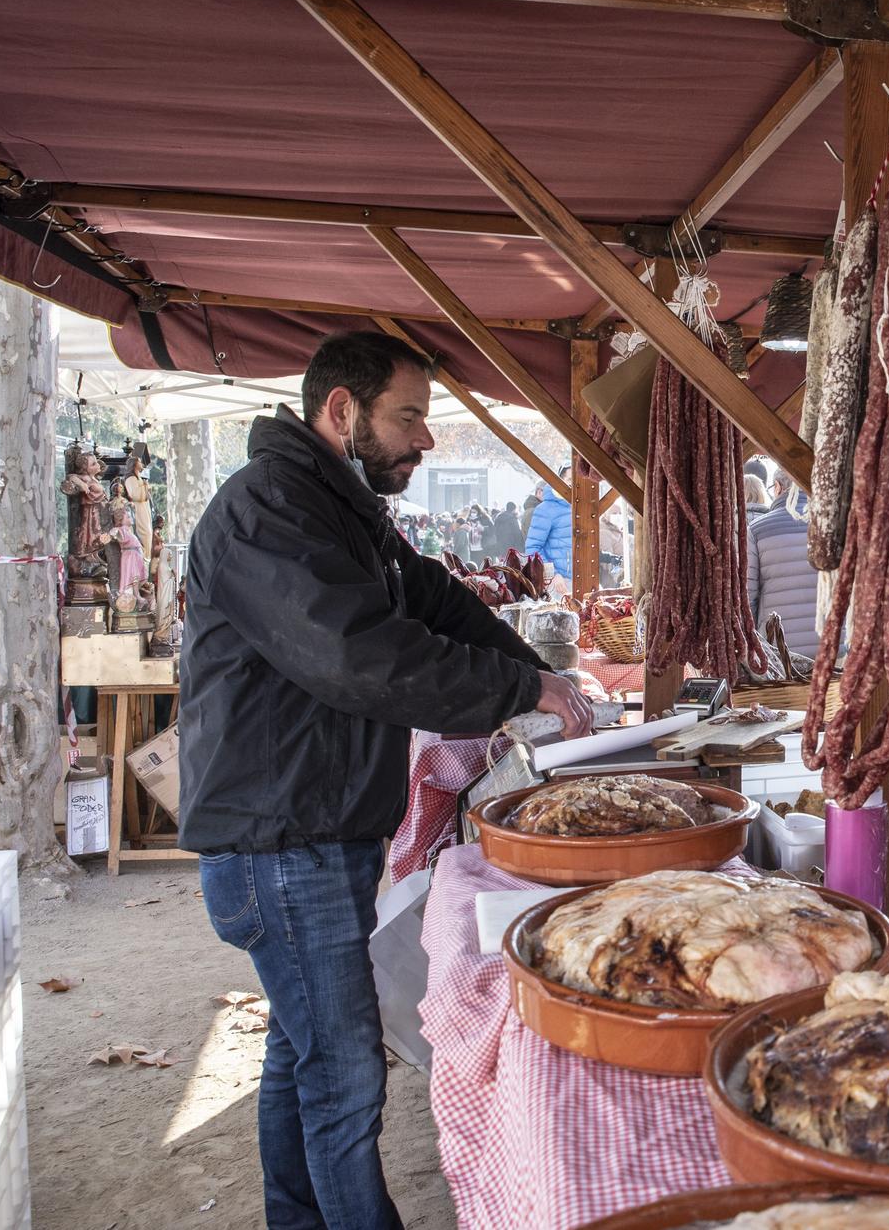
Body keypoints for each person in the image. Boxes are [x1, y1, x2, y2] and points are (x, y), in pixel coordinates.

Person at [179, 330, 592, 1229]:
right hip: (281, 843)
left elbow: (433, 600)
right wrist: (524, 688)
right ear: (342, 411)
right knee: (345, 1070)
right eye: (409, 416)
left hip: (315, 829)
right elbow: (358, 656)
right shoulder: (268, 510)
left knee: (304, 1052)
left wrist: (546, 680)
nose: (425, 439)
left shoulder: (339, 509)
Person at [746, 471, 819, 658]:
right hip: (832, 645)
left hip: (779, 648)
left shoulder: (757, 529)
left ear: (778, 487)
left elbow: (747, 595)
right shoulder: (831, 525)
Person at [522, 478, 575, 583]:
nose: (572, 483)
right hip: (559, 581)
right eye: (569, 479)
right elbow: (533, 547)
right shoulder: (545, 509)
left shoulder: (580, 507)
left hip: (580, 577)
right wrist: (553, 574)